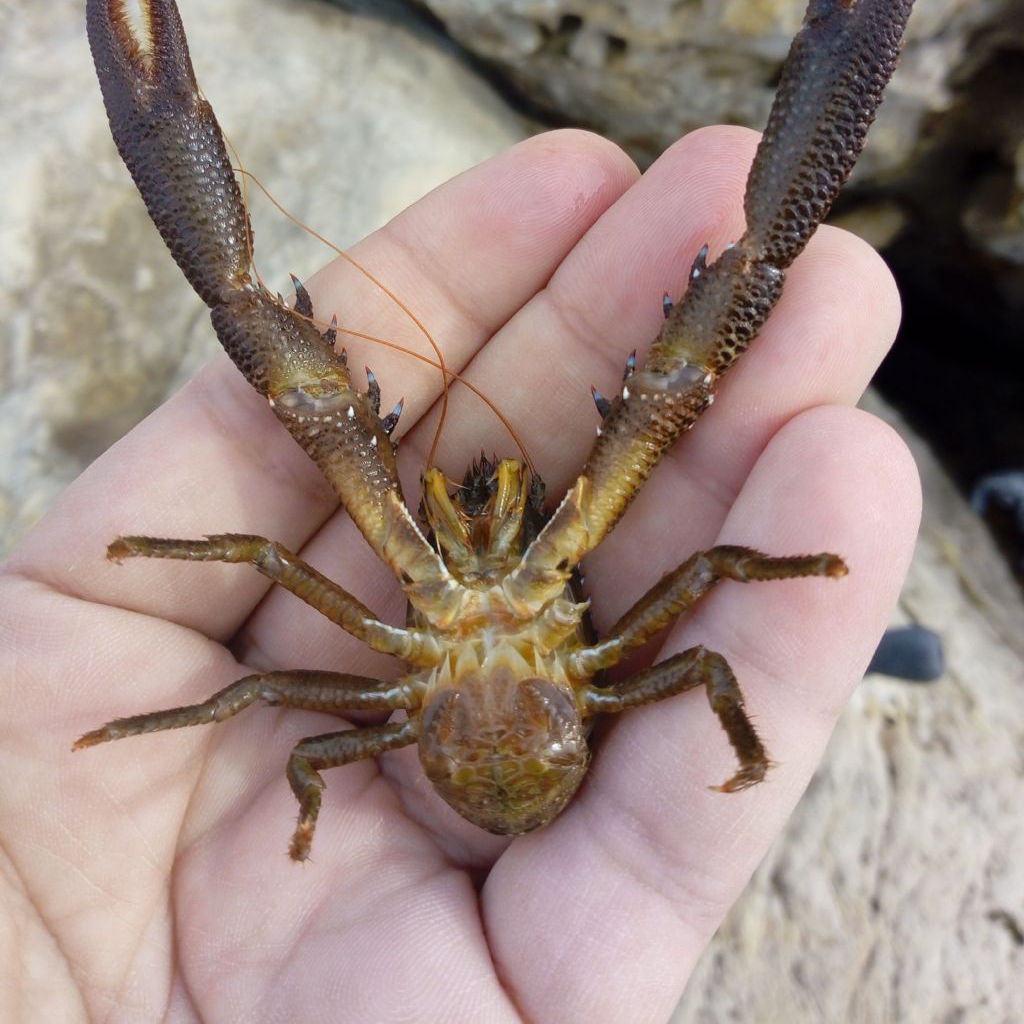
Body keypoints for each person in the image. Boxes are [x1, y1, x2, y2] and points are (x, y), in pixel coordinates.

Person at [0, 126, 919, 1021]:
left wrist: (304, 805)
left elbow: (269, 627)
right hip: (555, 721)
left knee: (260, 648)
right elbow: (710, 597)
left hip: (503, 740)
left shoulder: (417, 590)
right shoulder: (550, 568)